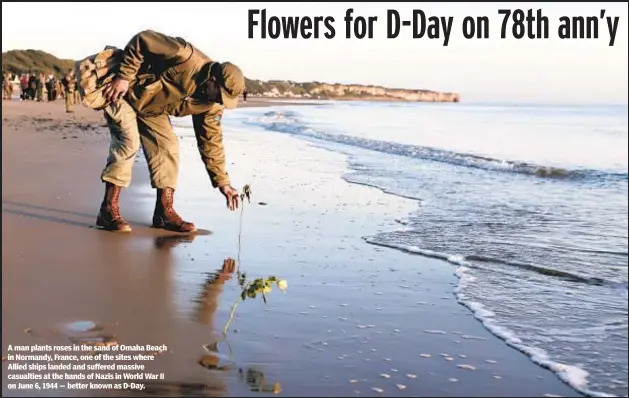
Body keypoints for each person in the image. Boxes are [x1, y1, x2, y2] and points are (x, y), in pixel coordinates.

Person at [87, 30, 245, 233]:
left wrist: (223, 182)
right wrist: (124, 77)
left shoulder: (211, 103)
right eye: (220, 95)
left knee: (169, 147)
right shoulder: (183, 55)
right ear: (213, 80)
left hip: (153, 109)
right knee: (129, 141)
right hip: (123, 91)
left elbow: (210, 141)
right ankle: (107, 211)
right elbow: (143, 40)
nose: (220, 101)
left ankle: (164, 212)